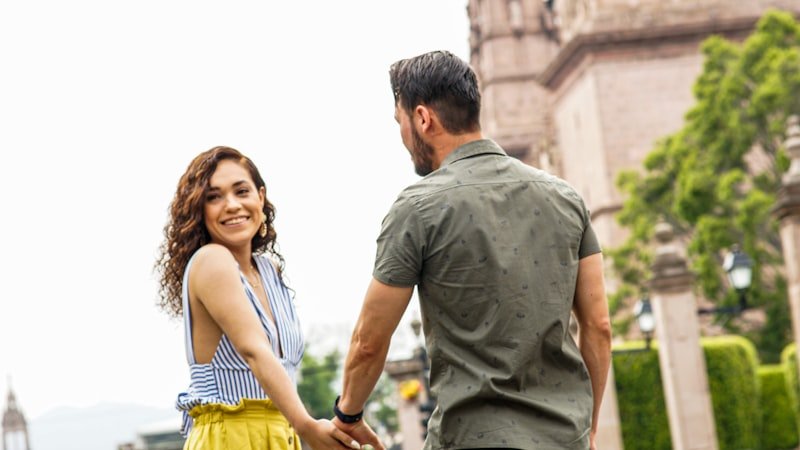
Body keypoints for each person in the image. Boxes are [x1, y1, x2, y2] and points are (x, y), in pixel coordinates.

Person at [331, 51, 612, 450]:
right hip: (565, 438)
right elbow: (599, 327)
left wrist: (348, 416)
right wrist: (589, 427)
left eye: (400, 122)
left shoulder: (417, 208)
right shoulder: (566, 199)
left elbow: (369, 342)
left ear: (423, 119)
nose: (403, 137)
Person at [155, 146, 361, 450]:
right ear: (200, 210)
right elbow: (254, 351)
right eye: (214, 197)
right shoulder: (211, 260)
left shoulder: (269, 269)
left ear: (260, 198)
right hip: (230, 435)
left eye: (242, 191)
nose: (232, 205)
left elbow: (282, 370)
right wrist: (305, 425)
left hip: (279, 432)